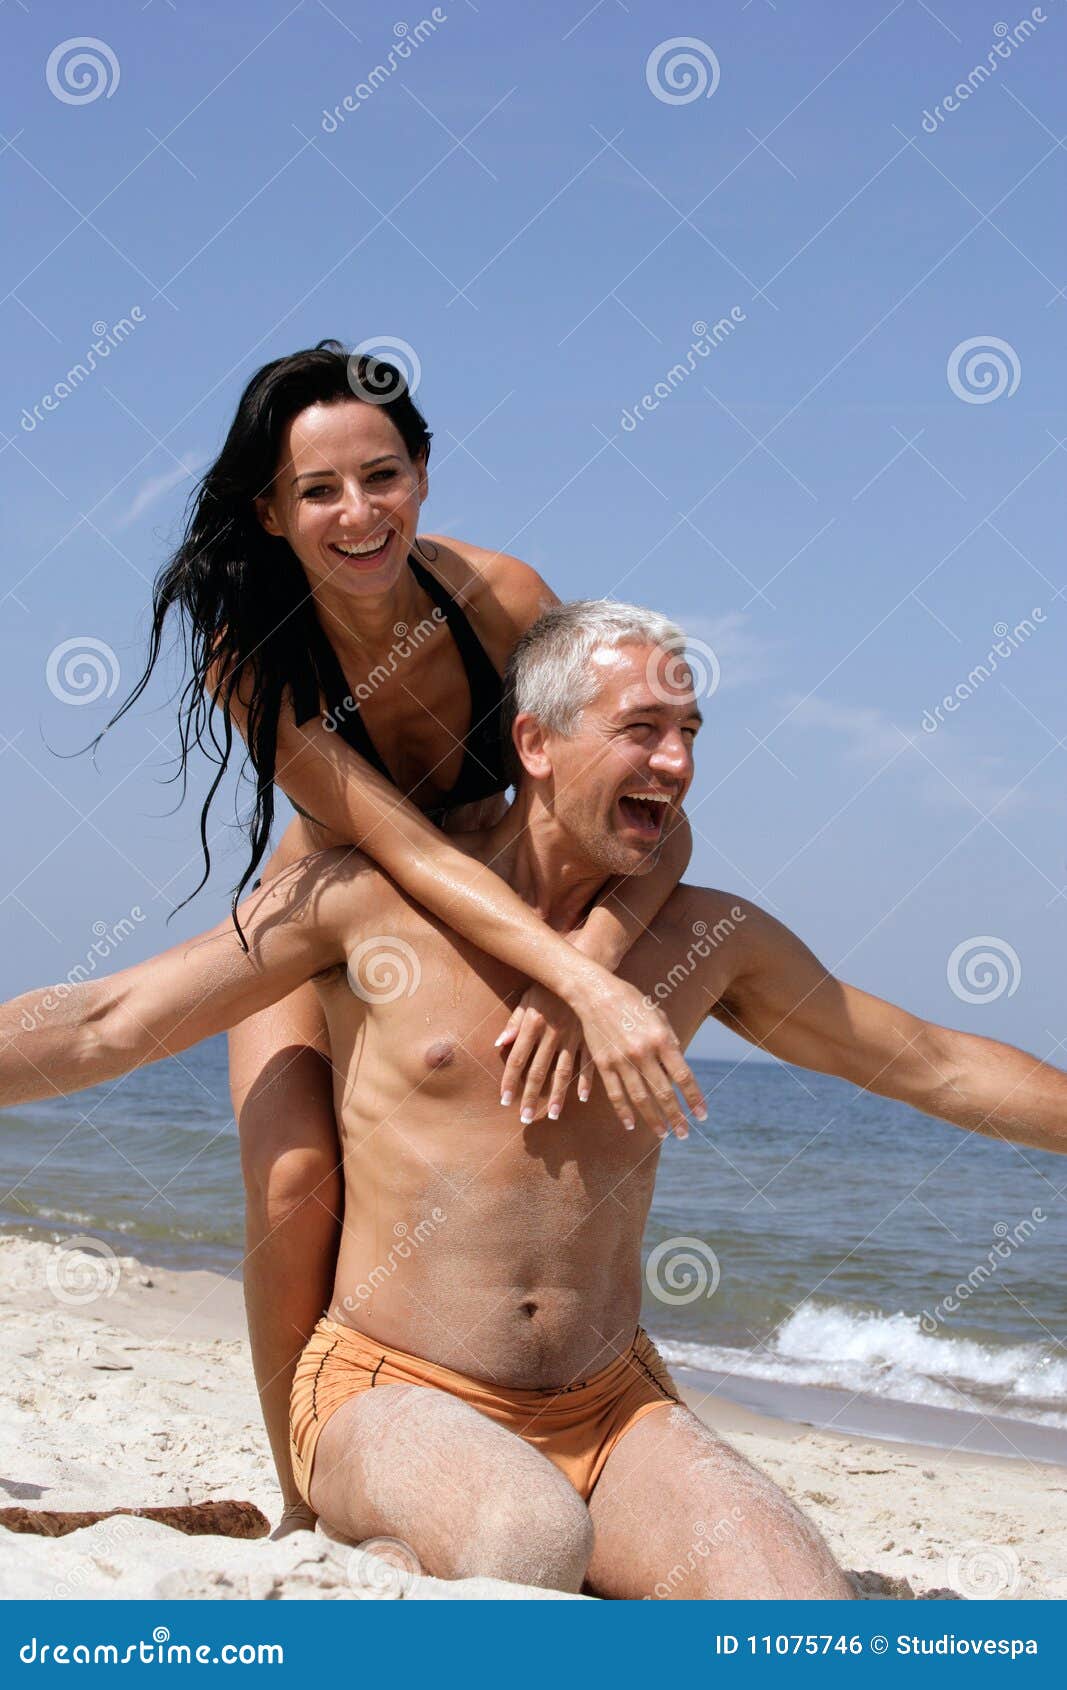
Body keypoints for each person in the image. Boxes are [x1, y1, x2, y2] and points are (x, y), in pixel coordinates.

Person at [9, 604, 1065, 1598]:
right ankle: (364, 1533)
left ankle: (426, 1544)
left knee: (792, 1598)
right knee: (525, 1540)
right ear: (536, 745)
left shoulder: (707, 942)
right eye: (642, 729)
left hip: (609, 1405)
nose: (678, 762)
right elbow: (109, 1017)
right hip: (386, 1387)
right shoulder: (365, 902)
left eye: (689, 731)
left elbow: (930, 1060)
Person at [97, 342, 705, 1531]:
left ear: (422, 473)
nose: (355, 511)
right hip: (332, 898)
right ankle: (302, 1495)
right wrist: (566, 971)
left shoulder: (504, 600)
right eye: (318, 490)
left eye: (380, 475)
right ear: (271, 513)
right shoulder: (254, 658)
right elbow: (407, 851)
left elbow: (649, 821)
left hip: (503, 909)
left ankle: (563, 1418)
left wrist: (589, 964)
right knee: (290, 1180)